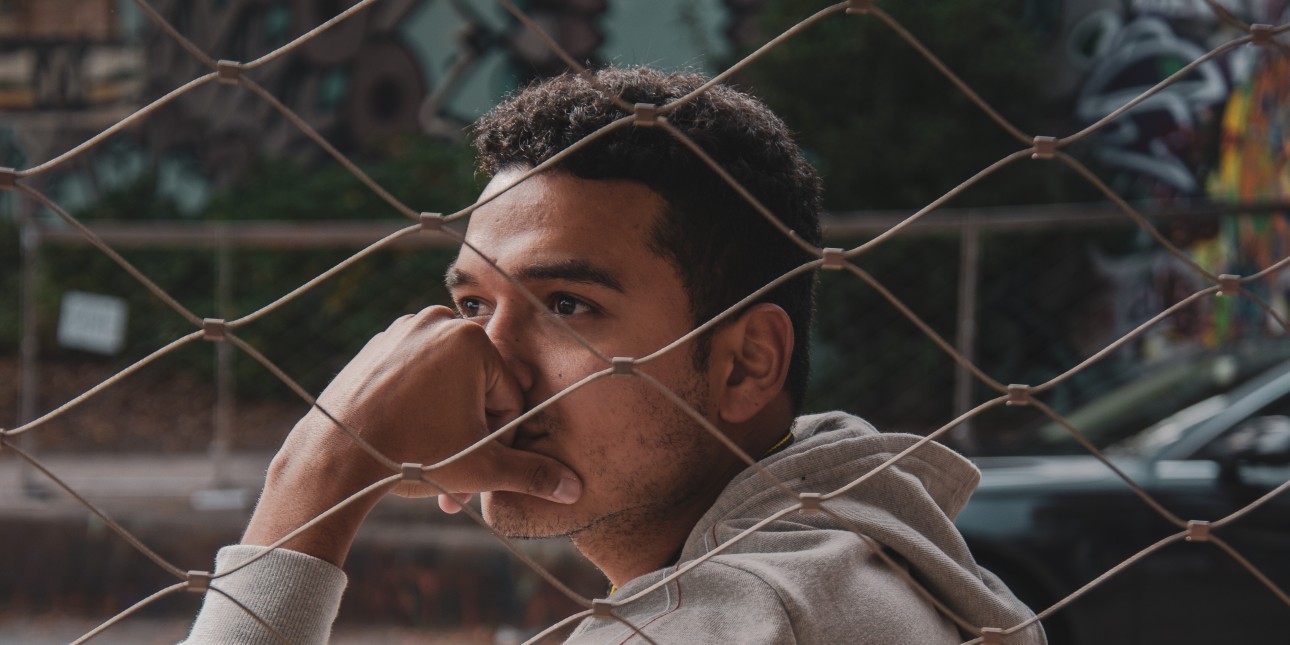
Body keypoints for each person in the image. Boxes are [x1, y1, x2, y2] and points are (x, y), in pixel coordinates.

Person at [184, 66, 1046, 644]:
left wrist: (319, 474)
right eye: (472, 304)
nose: (488, 365)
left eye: (567, 306)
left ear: (744, 364)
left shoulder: (727, 622)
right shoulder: (855, 556)